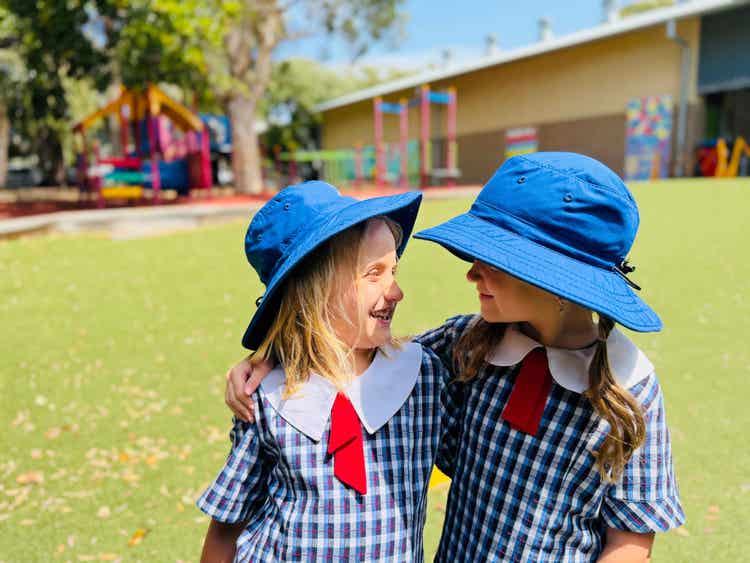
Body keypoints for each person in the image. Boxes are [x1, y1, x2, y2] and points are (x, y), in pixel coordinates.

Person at [224, 153, 685, 561]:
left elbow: (630, 539)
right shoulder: (463, 345)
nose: (470, 272)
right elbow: (350, 356)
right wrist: (276, 357)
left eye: (492, 258)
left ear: (557, 281)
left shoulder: (630, 388)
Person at [197, 181, 457, 562]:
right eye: (374, 273)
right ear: (316, 291)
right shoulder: (266, 396)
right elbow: (227, 526)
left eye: (394, 271)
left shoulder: (426, 377)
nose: (396, 291)